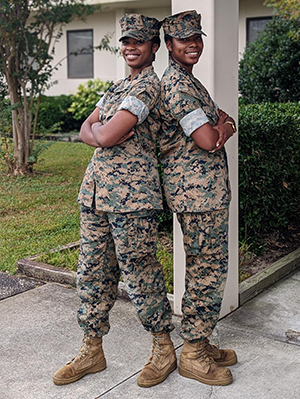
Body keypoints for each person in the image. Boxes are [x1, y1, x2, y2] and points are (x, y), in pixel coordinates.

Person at [52, 13, 177, 388]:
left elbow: (104, 135)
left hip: (132, 198)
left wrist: (100, 133)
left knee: (140, 272)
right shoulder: (118, 86)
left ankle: (163, 347)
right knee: (92, 272)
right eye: (125, 41)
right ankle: (92, 349)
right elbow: (88, 130)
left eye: (138, 41)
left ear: (154, 47)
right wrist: (98, 132)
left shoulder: (148, 89)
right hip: (95, 193)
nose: (130, 47)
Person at [159, 10, 238, 386]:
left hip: (205, 192)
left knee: (205, 269)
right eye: (184, 39)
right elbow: (208, 139)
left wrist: (220, 125)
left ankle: (200, 341)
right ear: (169, 45)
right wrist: (225, 126)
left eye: (197, 37)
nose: (193, 44)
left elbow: (214, 128)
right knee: (207, 271)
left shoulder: (190, 82)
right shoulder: (176, 87)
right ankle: (191, 353)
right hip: (197, 196)